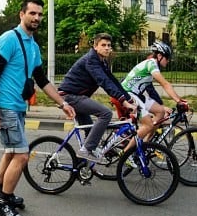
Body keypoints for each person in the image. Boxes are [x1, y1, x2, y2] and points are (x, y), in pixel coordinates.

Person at [0, 0, 76, 216]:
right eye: (32, 13)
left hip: (18, 107)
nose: (36, 18)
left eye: (39, 14)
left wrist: (62, 104)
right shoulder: (8, 39)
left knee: (10, 152)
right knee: (22, 155)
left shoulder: (33, 46)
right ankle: (3, 205)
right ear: (21, 14)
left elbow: (42, 80)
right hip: (5, 107)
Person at [57, 33, 137, 162]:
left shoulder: (101, 61)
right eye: (103, 45)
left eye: (109, 46)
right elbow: (103, 82)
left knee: (89, 130)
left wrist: (128, 99)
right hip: (70, 96)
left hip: (77, 96)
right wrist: (123, 102)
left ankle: (82, 166)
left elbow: (112, 81)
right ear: (95, 47)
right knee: (105, 113)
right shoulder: (91, 60)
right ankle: (86, 150)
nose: (107, 48)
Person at [120, 40, 186, 130]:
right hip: (128, 94)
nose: (168, 61)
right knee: (148, 125)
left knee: (160, 112)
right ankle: (137, 142)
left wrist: (162, 106)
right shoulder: (152, 64)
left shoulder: (152, 64)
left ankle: (146, 143)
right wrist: (179, 100)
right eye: (167, 58)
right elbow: (165, 84)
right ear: (159, 56)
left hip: (135, 95)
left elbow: (151, 91)